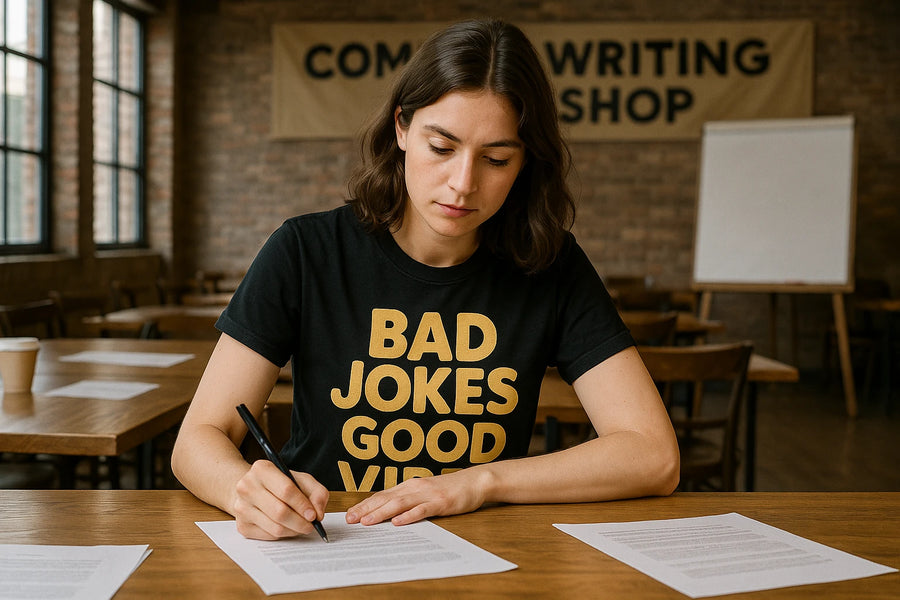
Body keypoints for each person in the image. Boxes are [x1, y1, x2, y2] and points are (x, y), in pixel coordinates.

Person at [171, 18, 679, 541]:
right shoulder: (306, 251)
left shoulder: (551, 265)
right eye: (442, 148)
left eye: (497, 159)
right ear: (401, 129)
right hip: (325, 546)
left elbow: (653, 454)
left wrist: (479, 483)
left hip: (484, 551)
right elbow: (198, 440)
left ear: (526, 162)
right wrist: (244, 490)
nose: (463, 184)